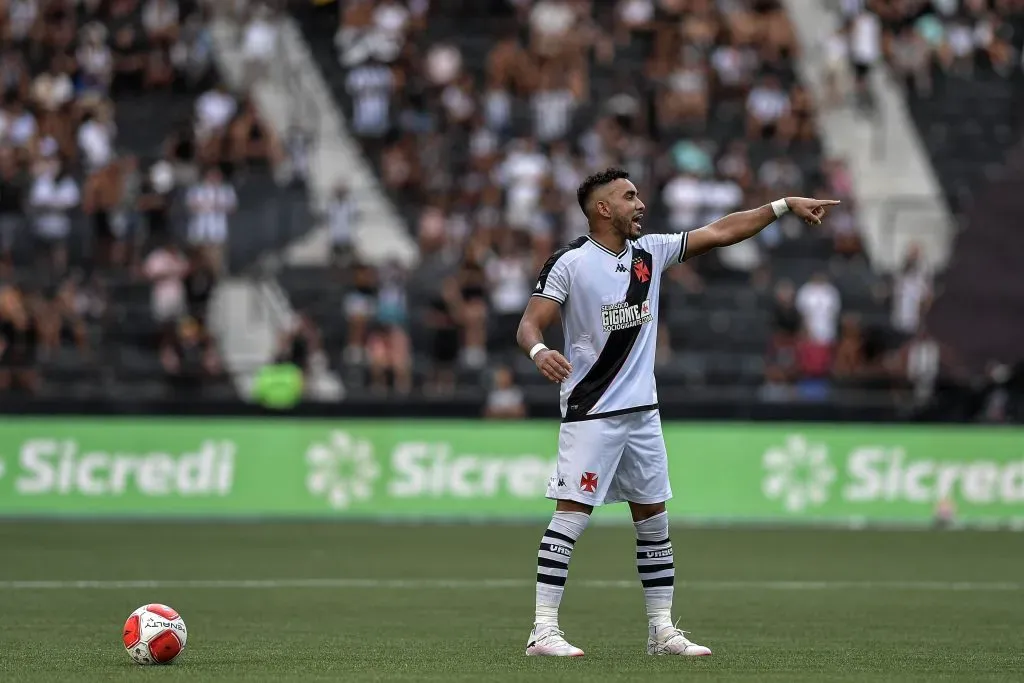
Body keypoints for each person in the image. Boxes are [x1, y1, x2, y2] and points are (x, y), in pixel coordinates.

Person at [516, 168, 838, 657]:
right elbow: (529, 324)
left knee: (654, 521)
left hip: (643, 413)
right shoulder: (570, 262)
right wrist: (540, 352)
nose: (640, 203)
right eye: (629, 196)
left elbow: (722, 231)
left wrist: (781, 206)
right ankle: (542, 631)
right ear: (603, 208)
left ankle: (660, 632)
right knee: (572, 516)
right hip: (592, 410)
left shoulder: (651, 252)